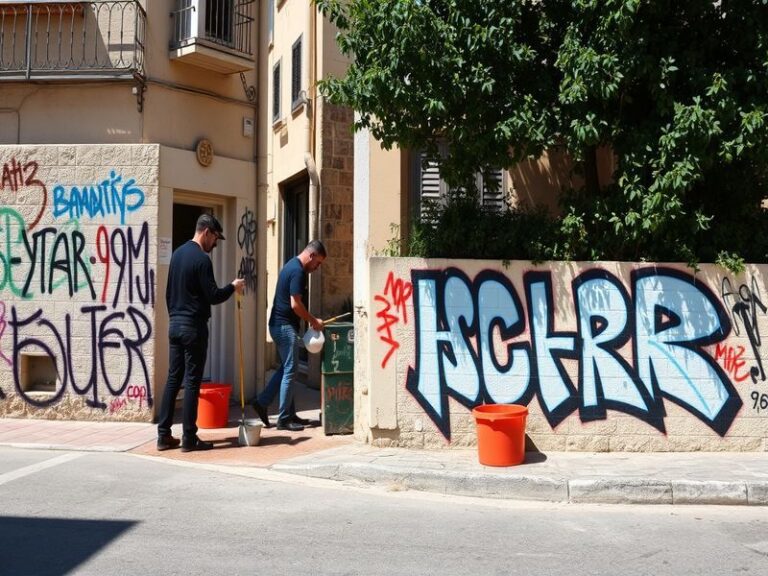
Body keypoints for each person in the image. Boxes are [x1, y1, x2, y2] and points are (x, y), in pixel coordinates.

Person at [157, 213, 245, 452]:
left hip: (175, 324)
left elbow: (167, 294)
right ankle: (189, 438)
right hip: (193, 327)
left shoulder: (177, 255)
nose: (215, 244)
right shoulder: (202, 260)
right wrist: (233, 287)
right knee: (192, 382)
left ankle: (163, 435)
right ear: (206, 232)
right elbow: (213, 295)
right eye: (215, 238)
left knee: (173, 379)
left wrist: (175, 316)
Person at [252, 240, 326, 431]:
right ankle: (284, 419)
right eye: (318, 263)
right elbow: (295, 304)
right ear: (311, 256)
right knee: (291, 370)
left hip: (279, 325)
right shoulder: (298, 271)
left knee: (287, 369)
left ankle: (265, 403)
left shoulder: (291, 265)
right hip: (284, 327)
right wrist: (313, 321)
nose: (317, 268)